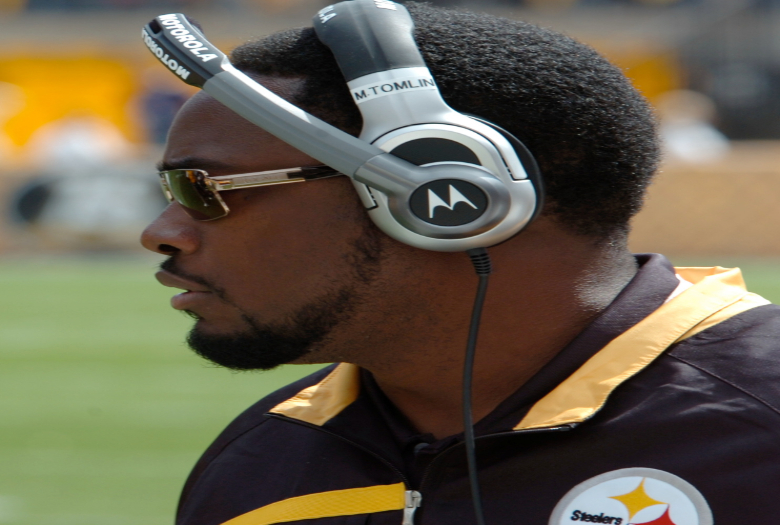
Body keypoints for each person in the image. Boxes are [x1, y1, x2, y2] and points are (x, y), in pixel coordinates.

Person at [140, 3, 780, 525]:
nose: (161, 233)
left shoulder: (760, 427)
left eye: (205, 188)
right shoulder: (257, 465)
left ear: (445, 195)